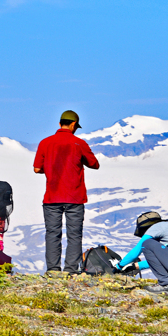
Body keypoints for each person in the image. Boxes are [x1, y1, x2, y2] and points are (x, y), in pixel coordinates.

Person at [33, 110, 100, 275]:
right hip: (74, 197)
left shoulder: (45, 143)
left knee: (52, 234)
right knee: (74, 235)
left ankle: (53, 270)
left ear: (59, 124)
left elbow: (37, 169)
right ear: (73, 125)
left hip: (52, 197)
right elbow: (95, 164)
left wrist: (50, 168)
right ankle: (70, 270)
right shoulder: (79, 143)